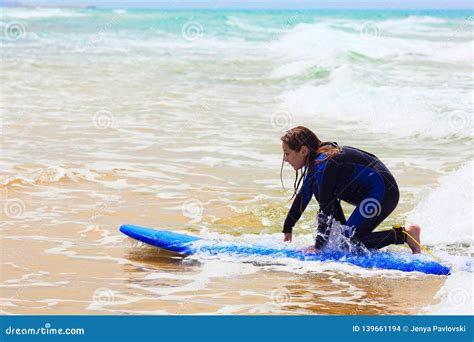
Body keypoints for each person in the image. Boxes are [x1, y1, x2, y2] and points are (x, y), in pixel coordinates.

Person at [280, 126, 422, 254]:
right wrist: (288, 227)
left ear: (303, 151)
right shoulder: (317, 163)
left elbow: (326, 207)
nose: (285, 159)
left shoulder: (324, 164)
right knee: (316, 188)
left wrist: (318, 247)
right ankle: (342, 236)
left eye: (287, 153)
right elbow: (303, 196)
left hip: (383, 193)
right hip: (367, 193)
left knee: (349, 244)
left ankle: (405, 235)